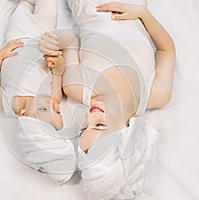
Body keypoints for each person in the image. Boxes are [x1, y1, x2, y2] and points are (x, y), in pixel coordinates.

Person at [39, 1, 175, 198]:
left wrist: (51, 41)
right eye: (100, 125)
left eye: (83, 128)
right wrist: (143, 14)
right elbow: (166, 50)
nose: (89, 117)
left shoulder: (78, 88)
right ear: (126, 137)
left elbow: (70, 41)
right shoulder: (155, 93)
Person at [0, 0, 78, 185]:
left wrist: (1, 55)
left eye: (44, 110)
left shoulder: (11, 103)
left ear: (24, 115)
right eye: (58, 112)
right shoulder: (53, 97)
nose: (54, 105)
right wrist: (58, 65)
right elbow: (58, 73)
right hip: (43, 36)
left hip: (17, 35)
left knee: (23, 6)